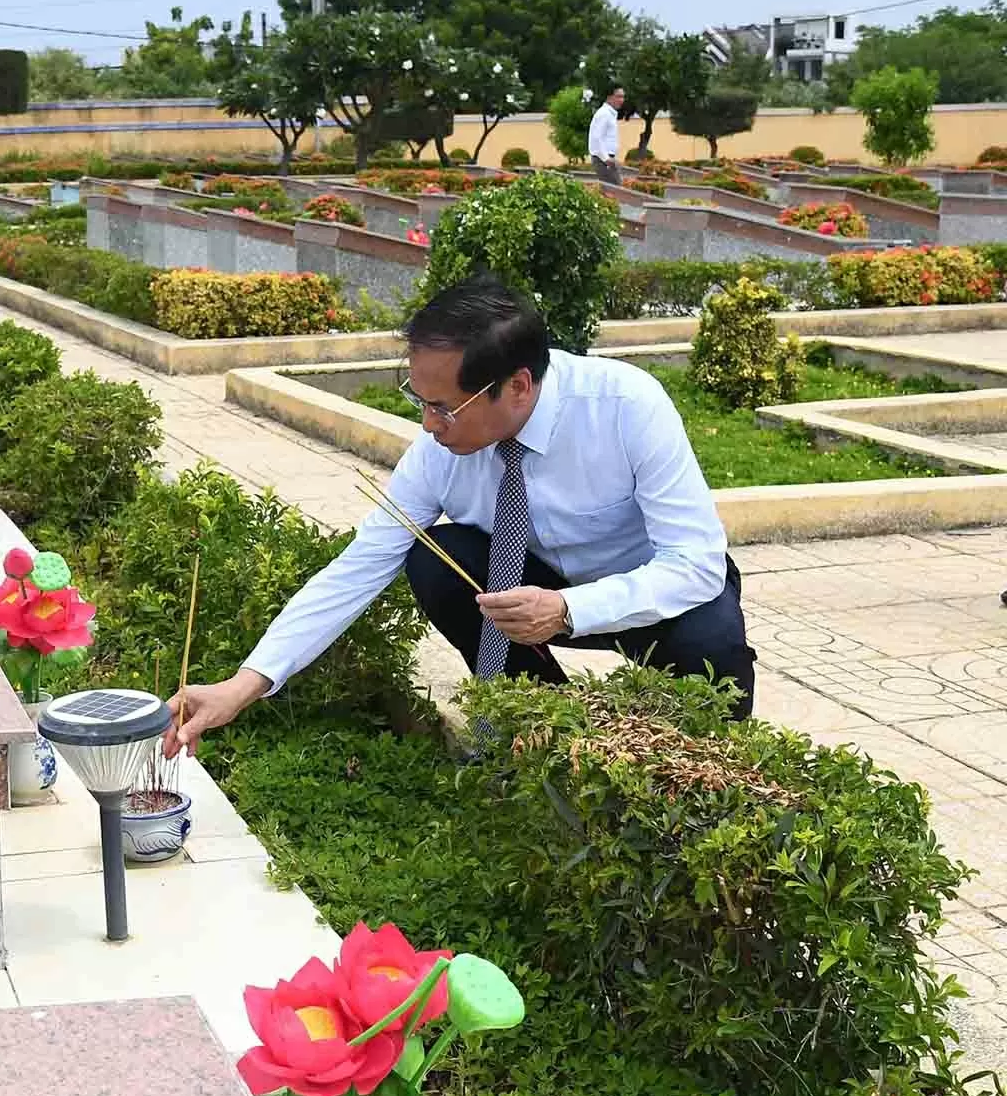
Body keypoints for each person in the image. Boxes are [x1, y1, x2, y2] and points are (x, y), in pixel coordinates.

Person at [166, 274, 756, 757]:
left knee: (715, 645)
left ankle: (715, 783)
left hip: (649, 595)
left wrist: (571, 610)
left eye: (444, 408)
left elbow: (696, 564)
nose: (428, 425)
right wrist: (243, 686)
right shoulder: (441, 451)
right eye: (419, 401)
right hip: (534, 598)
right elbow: (359, 568)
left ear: (518, 387)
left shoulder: (626, 406)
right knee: (434, 560)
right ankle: (541, 733)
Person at [589, 87, 626, 185]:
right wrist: (606, 158)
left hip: (607, 159)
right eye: (618, 96)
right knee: (616, 192)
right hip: (603, 160)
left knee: (614, 192)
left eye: (623, 97)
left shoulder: (609, 114)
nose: (621, 100)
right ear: (609, 97)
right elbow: (596, 137)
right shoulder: (604, 114)